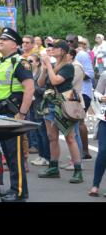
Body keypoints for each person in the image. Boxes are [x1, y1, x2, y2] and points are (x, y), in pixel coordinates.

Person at [0, 27, 34, 202]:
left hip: (12, 114)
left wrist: (22, 113)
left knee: (14, 156)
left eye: (5, 39)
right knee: (3, 153)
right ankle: (10, 188)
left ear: (14, 45)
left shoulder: (19, 63)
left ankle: (19, 191)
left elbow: (29, 88)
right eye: (0, 39)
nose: (1, 41)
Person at [37, 39, 84, 183]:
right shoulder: (52, 65)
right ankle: (53, 167)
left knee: (70, 138)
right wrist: (44, 69)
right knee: (52, 137)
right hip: (50, 103)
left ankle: (78, 170)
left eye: (55, 47)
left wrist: (48, 66)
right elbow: (40, 83)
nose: (51, 50)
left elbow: (56, 81)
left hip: (64, 104)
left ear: (62, 51)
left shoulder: (68, 67)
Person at [68, 34, 94, 160]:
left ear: (76, 41)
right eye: (67, 41)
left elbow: (90, 74)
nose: (69, 43)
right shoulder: (70, 54)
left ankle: (84, 151)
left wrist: (76, 74)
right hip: (75, 92)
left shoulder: (82, 54)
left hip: (83, 91)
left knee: (79, 122)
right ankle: (80, 151)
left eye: (71, 41)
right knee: (76, 122)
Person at [28, 53, 50, 167]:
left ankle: (47, 157)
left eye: (31, 61)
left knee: (43, 133)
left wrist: (32, 88)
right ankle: (41, 155)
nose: (28, 63)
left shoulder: (42, 73)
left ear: (37, 63)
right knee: (36, 131)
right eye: (27, 61)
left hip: (41, 105)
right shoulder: (29, 74)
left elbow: (45, 90)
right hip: (32, 105)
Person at [89, 72, 106, 196]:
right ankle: (95, 185)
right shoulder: (105, 74)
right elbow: (97, 92)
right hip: (104, 119)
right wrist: (101, 98)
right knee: (103, 151)